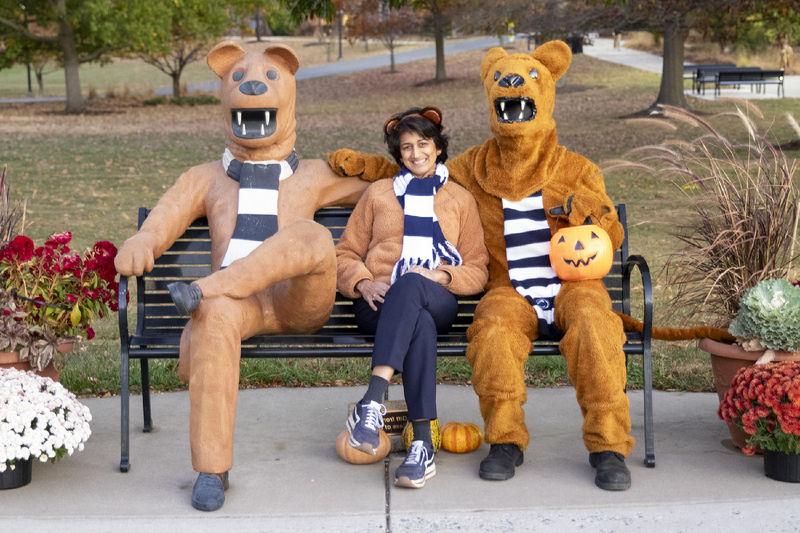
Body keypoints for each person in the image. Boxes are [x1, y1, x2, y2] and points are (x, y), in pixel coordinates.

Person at [336, 107, 489, 488]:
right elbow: (344, 254)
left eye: (423, 144)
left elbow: (478, 268)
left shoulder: (459, 199)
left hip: (438, 297)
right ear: (398, 153)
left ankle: (373, 398)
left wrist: (439, 274)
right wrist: (363, 283)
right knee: (412, 311)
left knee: (412, 285)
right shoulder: (378, 194)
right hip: (379, 303)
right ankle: (422, 444)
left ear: (438, 148)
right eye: (406, 147)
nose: (416, 153)